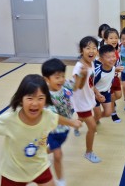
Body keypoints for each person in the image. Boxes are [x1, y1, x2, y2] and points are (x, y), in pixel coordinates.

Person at [0, 74, 81, 186]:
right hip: (14, 172)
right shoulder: (10, 120)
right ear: (21, 100)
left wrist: (72, 122)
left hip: (39, 166)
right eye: (30, 98)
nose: (35, 103)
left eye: (40, 98)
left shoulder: (47, 115)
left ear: (46, 100)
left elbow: (57, 118)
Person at [42, 58, 80, 186]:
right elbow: (54, 117)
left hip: (64, 128)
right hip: (52, 129)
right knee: (58, 155)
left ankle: (40, 150)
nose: (61, 79)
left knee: (50, 149)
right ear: (47, 79)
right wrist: (72, 123)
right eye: (57, 77)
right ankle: (60, 181)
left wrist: (83, 75)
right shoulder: (45, 96)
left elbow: (76, 85)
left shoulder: (64, 85)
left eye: (63, 76)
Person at [71, 36, 102, 163]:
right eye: (88, 48)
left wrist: (97, 92)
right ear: (81, 50)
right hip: (81, 102)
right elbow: (75, 87)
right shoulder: (79, 67)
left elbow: (91, 82)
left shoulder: (92, 63)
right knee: (92, 126)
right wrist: (82, 76)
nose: (91, 51)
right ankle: (88, 152)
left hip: (89, 98)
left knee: (84, 119)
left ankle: (76, 126)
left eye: (94, 48)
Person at [103, 28, 124, 122]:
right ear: (106, 40)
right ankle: (113, 113)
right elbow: (102, 68)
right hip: (107, 79)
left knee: (119, 95)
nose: (114, 40)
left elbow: (117, 63)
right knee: (111, 96)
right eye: (111, 38)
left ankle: (110, 102)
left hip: (115, 78)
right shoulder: (103, 53)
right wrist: (114, 69)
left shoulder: (116, 51)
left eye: (116, 37)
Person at [93, 44, 116, 122]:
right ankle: (87, 122)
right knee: (97, 114)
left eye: (113, 56)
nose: (112, 59)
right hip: (94, 94)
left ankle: (93, 120)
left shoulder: (113, 68)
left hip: (106, 93)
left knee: (108, 113)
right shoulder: (97, 72)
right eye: (108, 57)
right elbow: (90, 84)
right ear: (101, 59)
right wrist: (97, 94)